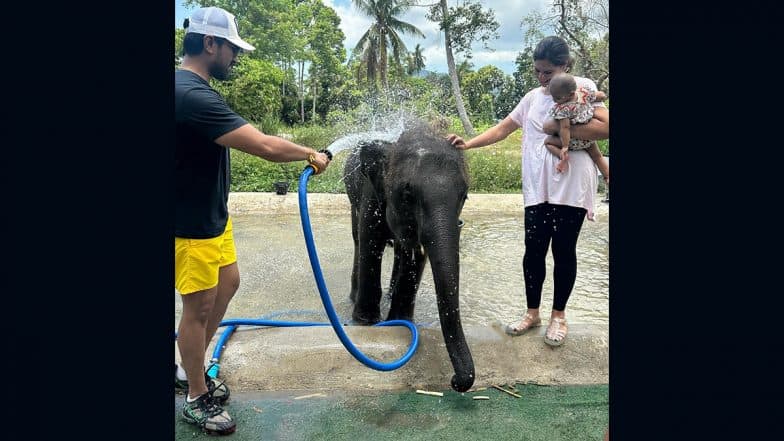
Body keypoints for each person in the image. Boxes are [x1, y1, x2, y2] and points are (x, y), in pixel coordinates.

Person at [175, 6, 331, 435]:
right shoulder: (189, 94)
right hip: (190, 224)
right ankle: (194, 396)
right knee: (198, 306)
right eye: (231, 49)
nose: (235, 57)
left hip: (211, 216)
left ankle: (191, 367)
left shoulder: (194, 88)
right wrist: (309, 154)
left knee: (229, 283)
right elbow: (261, 145)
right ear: (210, 44)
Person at [447, 35, 608, 347]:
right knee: (532, 252)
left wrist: (559, 129)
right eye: (538, 71)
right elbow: (503, 128)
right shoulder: (533, 98)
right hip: (537, 189)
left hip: (571, 185)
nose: (543, 78)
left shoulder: (582, 87)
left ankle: (558, 315)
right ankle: (532, 312)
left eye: (548, 72)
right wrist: (468, 144)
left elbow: (605, 126)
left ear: (565, 66)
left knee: (563, 252)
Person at [543, 72, 610, 182]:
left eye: (558, 98)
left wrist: (564, 147)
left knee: (547, 142)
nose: (555, 100)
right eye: (553, 97)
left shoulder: (563, 109)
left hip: (574, 141)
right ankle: (607, 176)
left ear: (570, 94)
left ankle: (562, 157)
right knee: (598, 156)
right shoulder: (584, 94)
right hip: (588, 138)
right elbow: (601, 95)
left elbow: (565, 128)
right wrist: (600, 95)